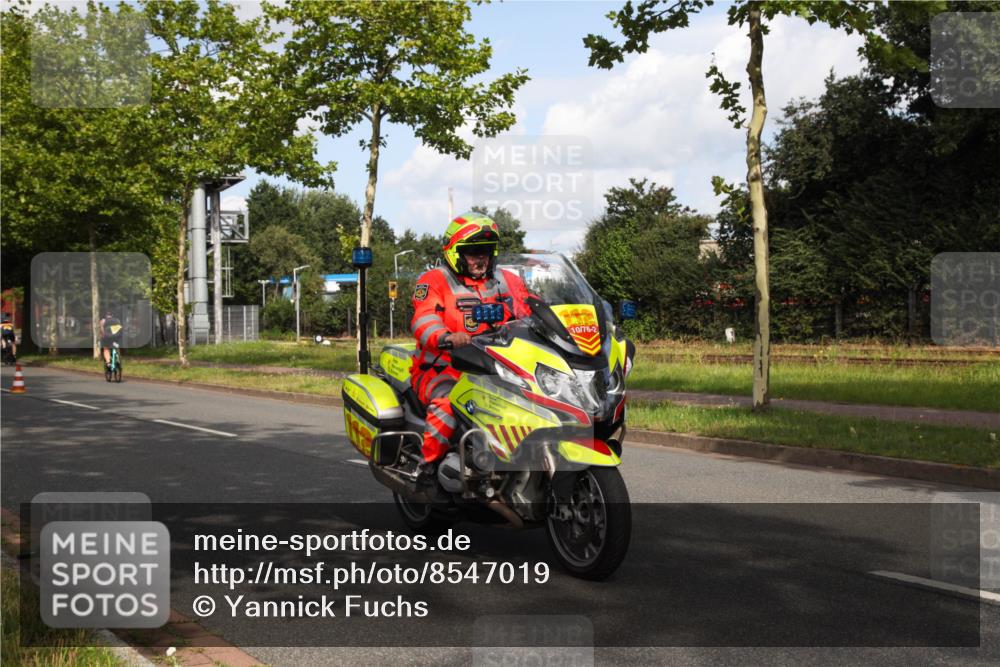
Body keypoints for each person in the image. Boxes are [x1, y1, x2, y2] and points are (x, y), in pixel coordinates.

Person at [410, 212, 532, 469]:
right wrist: (445, 337)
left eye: (486, 251)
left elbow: (533, 310)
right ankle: (427, 468)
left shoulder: (507, 281)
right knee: (448, 404)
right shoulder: (434, 280)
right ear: (455, 253)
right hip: (443, 369)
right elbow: (423, 318)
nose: (481, 258)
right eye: (473, 252)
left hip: (498, 371)